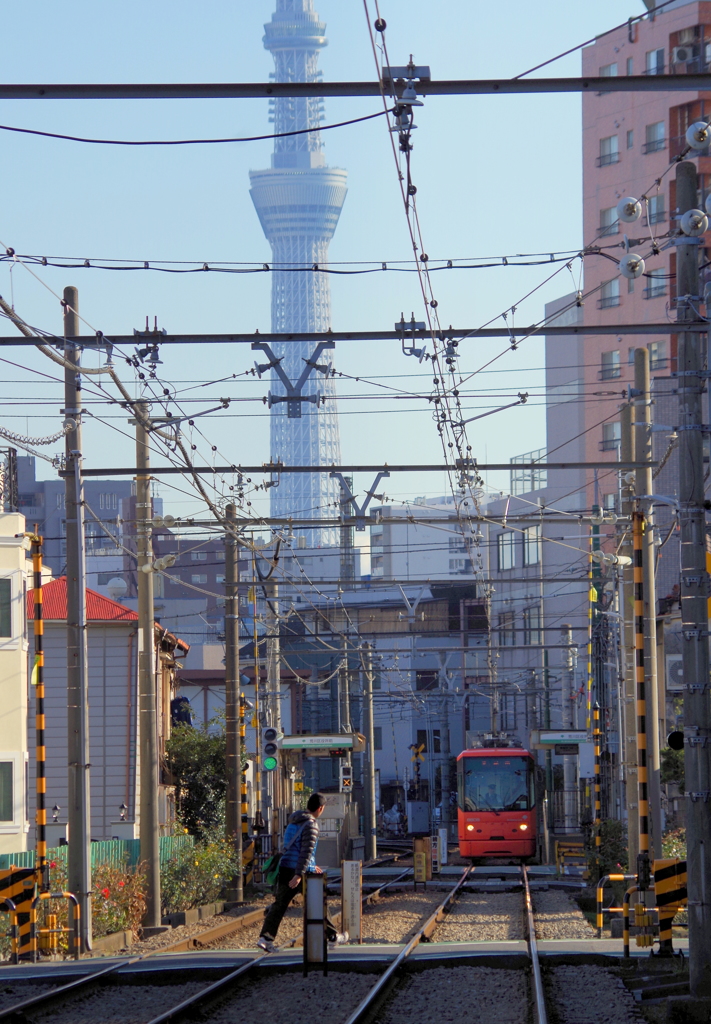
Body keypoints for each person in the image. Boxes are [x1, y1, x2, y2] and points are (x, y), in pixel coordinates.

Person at [257, 792, 348, 953]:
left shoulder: (294, 821)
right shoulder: (311, 824)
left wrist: (312, 865)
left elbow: (297, 848)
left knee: (279, 905)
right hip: (301, 873)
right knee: (319, 902)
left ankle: (265, 938)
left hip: (286, 868)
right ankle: (333, 938)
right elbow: (305, 852)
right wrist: (300, 874)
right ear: (320, 808)